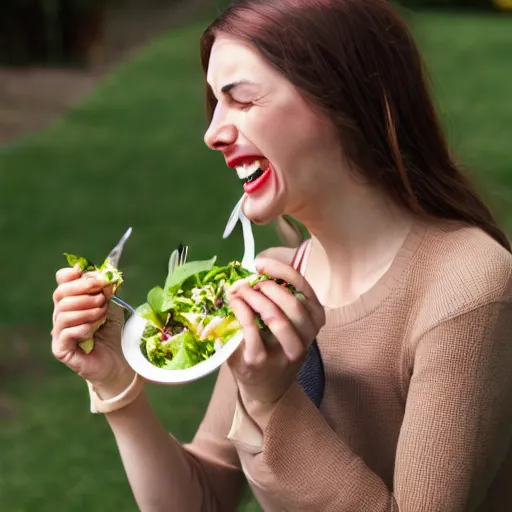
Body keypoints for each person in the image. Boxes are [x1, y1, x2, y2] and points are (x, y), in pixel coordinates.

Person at [50, 0, 512, 510]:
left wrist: (274, 404)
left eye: (242, 100)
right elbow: (205, 497)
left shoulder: (467, 290)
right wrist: (120, 387)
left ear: (345, 100)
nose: (213, 134)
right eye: (215, 104)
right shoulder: (275, 278)